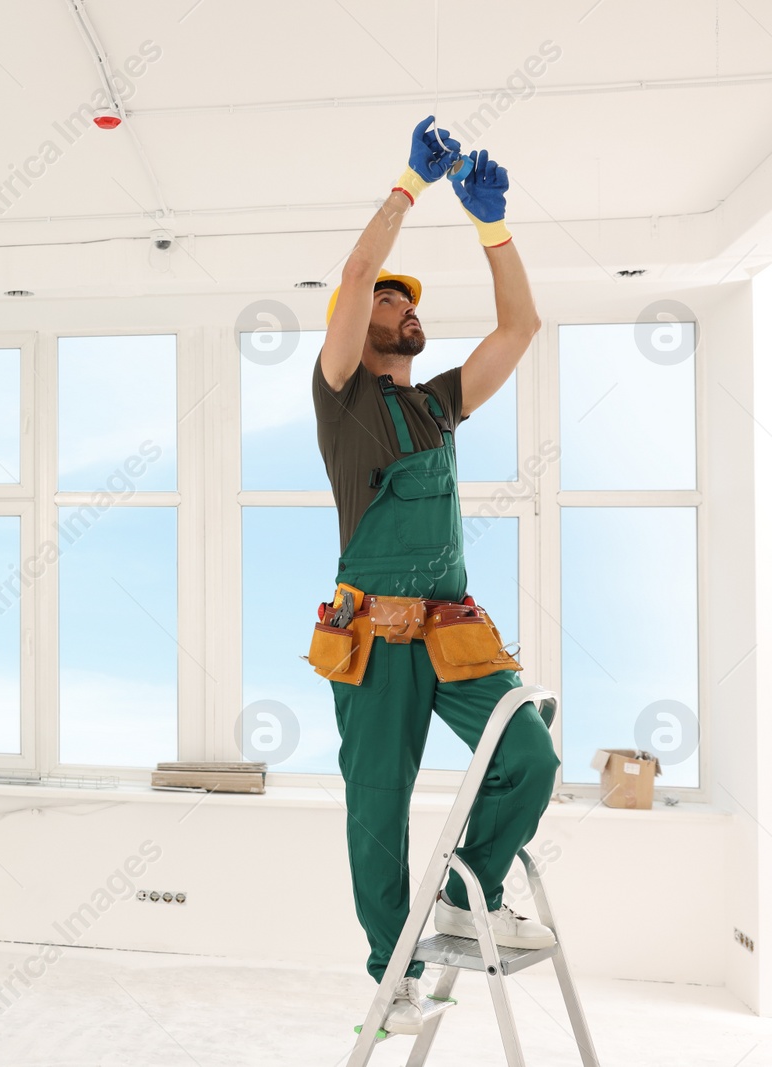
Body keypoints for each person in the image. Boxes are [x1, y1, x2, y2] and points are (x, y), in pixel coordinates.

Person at [310, 116, 561, 1036]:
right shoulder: (342, 397)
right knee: (376, 808)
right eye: (389, 301)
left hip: (455, 631)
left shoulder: (438, 404)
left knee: (529, 753)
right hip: (371, 637)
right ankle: (392, 975)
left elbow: (521, 324)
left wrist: (493, 227)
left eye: (409, 301)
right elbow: (347, 282)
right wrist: (409, 189)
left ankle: (472, 891)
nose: (403, 307)